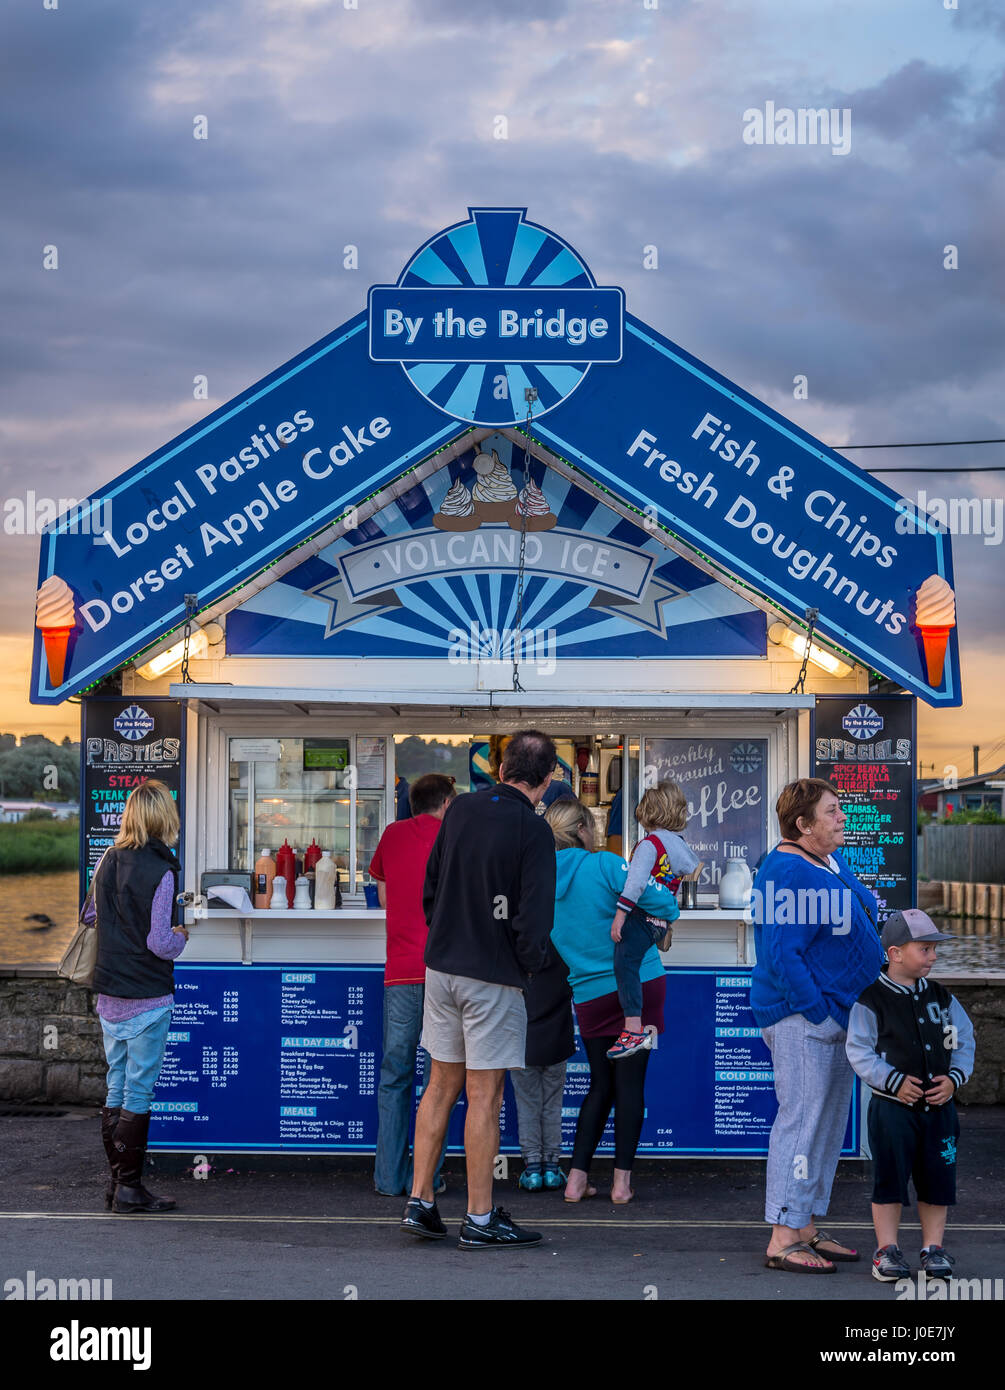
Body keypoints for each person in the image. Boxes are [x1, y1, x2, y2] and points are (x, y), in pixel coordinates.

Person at [401, 730, 558, 1249]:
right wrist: (529, 967)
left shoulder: (461, 809)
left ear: (502, 766)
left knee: (440, 1086)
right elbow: (534, 920)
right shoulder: (533, 831)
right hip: (493, 975)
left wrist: (445, 933)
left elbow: (432, 886)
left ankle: (421, 1201)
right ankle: (480, 1217)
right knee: (484, 1095)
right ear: (548, 776)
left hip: (442, 967)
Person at [752, 777, 884, 1273]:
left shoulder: (825, 861)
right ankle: (784, 1234)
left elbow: (860, 911)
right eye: (831, 812)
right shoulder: (786, 869)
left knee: (825, 1125)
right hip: (807, 1020)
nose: (842, 817)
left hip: (837, 1016)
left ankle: (803, 1222)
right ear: (803, 825)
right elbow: (782, 954)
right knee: (803, 1122)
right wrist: (818, 1012)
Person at [547, 798, 678, 1203]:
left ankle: (575, 1180)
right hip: (637, 986)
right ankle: (621, 1185)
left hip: (587, 994)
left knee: (600, 1085)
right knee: (631, 1085)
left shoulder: (538, 880)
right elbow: (664, 902)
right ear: (585, 829)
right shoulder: (604, 864)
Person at [845, 909, 975, 1282]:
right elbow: (859, 1051)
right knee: (889, 1179)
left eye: (934, 949)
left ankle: (933, 1249)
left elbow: (964, 1040)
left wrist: (953, 1079)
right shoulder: (871, 1001)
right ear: (896, 953)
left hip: (939, 1111)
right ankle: (886, 1250)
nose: (933, 956)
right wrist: (892, 1081)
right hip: (891, 1111)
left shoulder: (942, 997)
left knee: (938, 1180)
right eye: (926, 948)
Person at [91, 779, 188, 1214]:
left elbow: (89, 915)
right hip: (147, 996)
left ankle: (117, 1185)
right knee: (139, 1091)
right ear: (163, 817)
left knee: (116, 1082)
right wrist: (183, 935)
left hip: (110, 992)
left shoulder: (106, 859)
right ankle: (130, 1188)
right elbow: (159, 942)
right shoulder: (161, 869)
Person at [369, 773, 456, 1197]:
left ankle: (388, 1178)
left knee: (394, 1074)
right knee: (437, 1078)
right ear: (445, 803)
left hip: (401, 970)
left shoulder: (391, 834)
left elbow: (384, 897)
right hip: (444, 971)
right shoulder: (456, 836)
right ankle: (428, 1178)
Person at [607, 780, 697, 1059]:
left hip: (641, 917)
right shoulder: (679, 845)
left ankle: (632, 1029)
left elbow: (635, 884)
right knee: (639, 965)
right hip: (660, 923)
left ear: (648, 811)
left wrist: (620, 915)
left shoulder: (650, 844)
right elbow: (690, 868)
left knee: (625, 964)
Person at [509, 938, 575, 1192]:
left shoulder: (518, 955)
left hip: (523, 1043)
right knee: (552, 1105)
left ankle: (533, 1168)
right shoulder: (565, 953)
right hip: (557, 1041)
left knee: (527, 1105)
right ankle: (552, 1167)